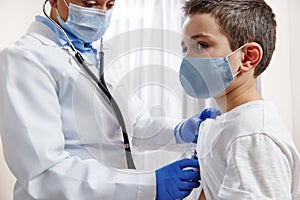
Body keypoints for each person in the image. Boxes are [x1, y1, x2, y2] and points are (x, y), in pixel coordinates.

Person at [0, 0, 219, 199]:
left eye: (109, 5)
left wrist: (181, 130)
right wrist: (150, 184)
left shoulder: (101, 55)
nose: (101, 13)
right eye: (91, 3)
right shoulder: (26, 58)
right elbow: (43, 172)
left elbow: (132, 127)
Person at [179, 0, 300, 199]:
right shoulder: (225, 124)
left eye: (201, 45)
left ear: (248, 57)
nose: (188, 59)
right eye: (186, 49)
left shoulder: (252, 135)